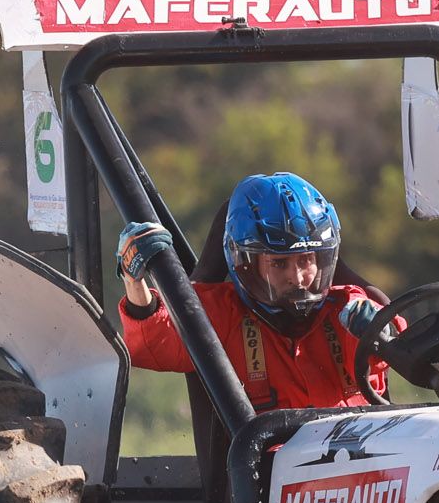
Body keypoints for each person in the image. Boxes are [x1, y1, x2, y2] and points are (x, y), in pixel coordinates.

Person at [118, 172, 386, 410]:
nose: (297, 278)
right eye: (279, 263)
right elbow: (156, 340)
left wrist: (381, 330)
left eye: (306, 260)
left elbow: (399, 346)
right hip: (267, 464)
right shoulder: (224, 314)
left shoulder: (348, 308)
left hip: (361, 461)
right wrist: (134, 278)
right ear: (247, 265)